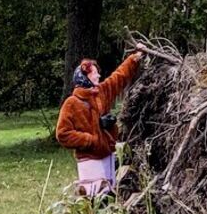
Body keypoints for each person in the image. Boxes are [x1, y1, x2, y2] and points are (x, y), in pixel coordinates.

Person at [55, 50, 143, 196]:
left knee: (108, 195)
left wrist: (134, 58)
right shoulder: (72, 103)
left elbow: (118, 77)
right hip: (89, 161)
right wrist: (90, 140)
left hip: (107, 155)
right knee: (92, 197)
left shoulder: (101, 92)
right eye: (95, 73)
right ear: (85, 77)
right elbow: (63, 134)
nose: (98, 76)